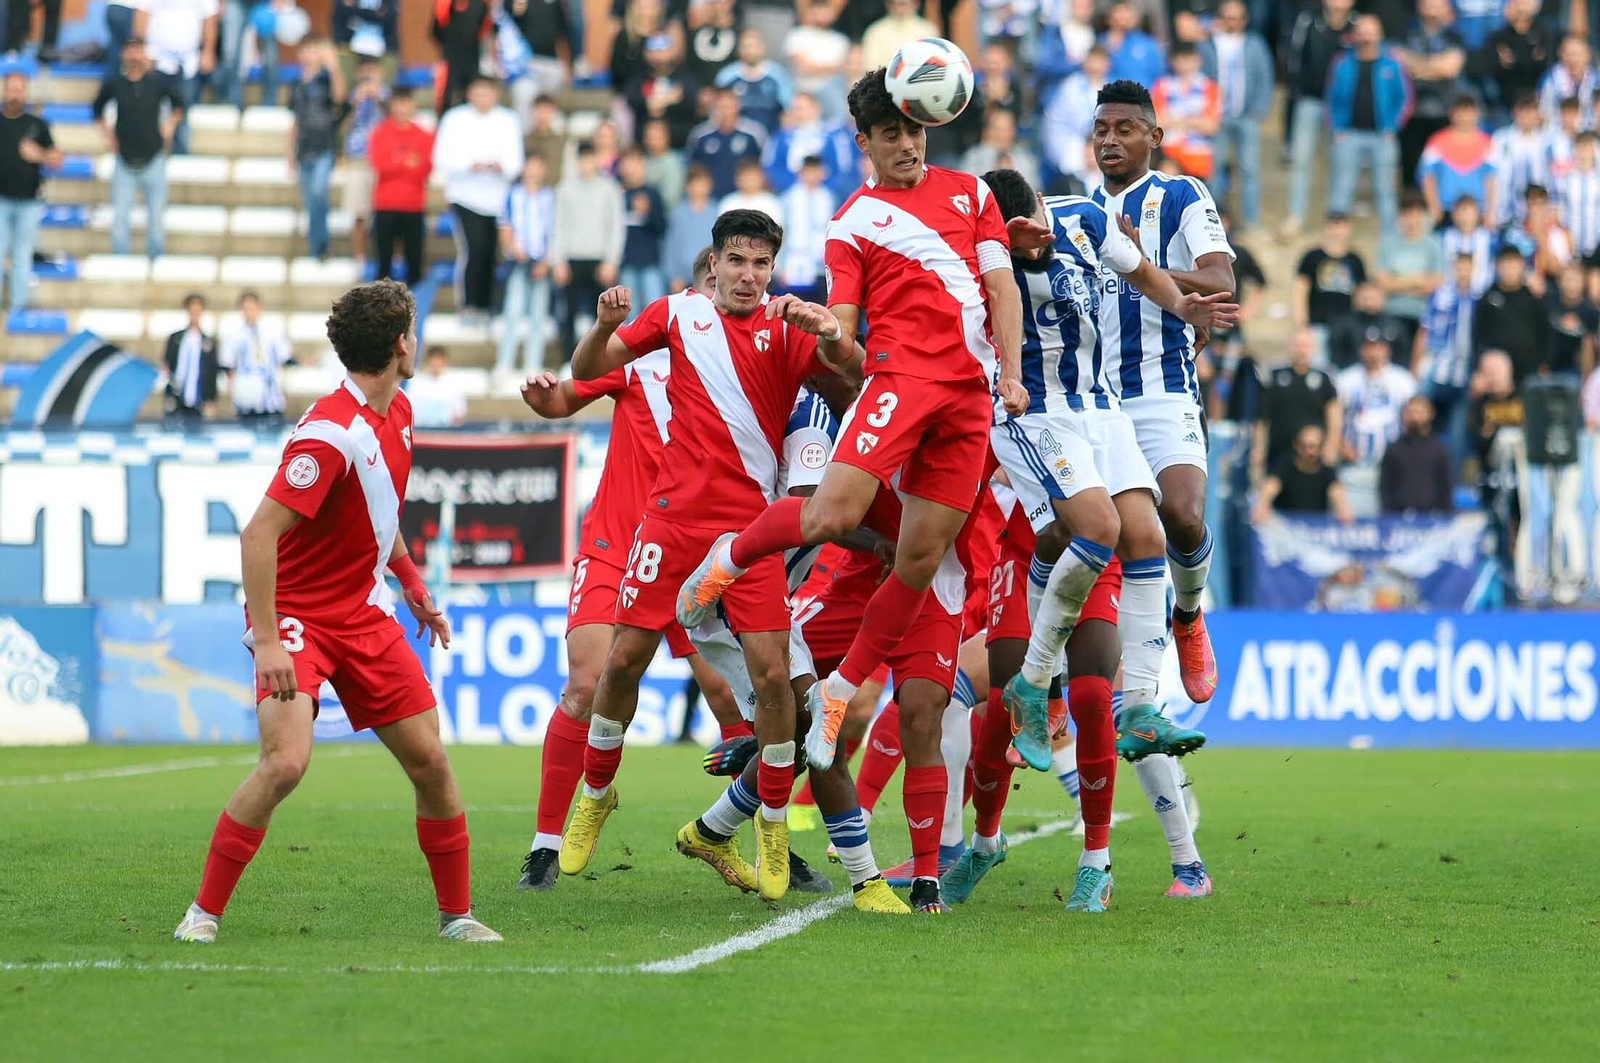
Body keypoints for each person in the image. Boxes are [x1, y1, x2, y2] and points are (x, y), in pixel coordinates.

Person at [673, 70, 1028, 915]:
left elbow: (1003, 285)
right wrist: (831, 331)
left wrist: (1011, 372)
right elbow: (845, 325)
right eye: (889, 133)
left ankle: (840, 701)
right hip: (900, 380)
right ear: (862, 141)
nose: (907, 144)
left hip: (970, 395)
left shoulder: (974, 195)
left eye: (915, 129)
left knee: (922, 555)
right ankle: (734, 556)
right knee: (834, 512)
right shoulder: (853, 221)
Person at [172, 281, 501, 946]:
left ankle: (456, 916)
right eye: (413, 330)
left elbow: (382, 513)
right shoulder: (329, 435)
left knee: (431, 761)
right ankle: (201, 912)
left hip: (360, 612)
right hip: (296, 616)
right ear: (402, 343)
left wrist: (411, 585)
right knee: (286, 762)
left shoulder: (397, 412)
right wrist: (267, 641)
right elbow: (257, 535)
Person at [557, 211, 862, 904]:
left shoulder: (789, 327)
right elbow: (585, 372)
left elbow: (859, 376)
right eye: (737, 261)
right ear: (715, 265)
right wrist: (605, 326)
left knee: (773, 680)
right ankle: (596, 794)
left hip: (747, 535)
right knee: (623, 661)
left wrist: (833, 333)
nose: (749, 274)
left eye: (761, 263)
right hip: (669, 523)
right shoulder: (677, 314)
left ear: (773, 268)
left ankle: (774, 825)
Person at [948, 169, 1232, 911]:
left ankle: (1139, 713)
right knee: (1094, 534)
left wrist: (1187, 306)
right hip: (1036, 421)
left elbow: (1142, 274)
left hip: (1100, 414)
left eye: (1038, 220)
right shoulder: (977, 268)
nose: (1037, 237)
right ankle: (985, 824)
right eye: (1019, 236)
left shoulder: (1080, 219)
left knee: (1139, 533)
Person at [514, 250, 751, 894]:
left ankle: (744, 831)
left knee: (735, 696)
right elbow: (567, 395)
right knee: (587, 686)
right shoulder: (644, 359)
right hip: (621, 547)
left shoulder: (752, 371)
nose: (717, 300)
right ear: (688, 296)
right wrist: (546, 398)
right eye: (707, 287)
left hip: (702, 556)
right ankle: (545, 843)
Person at [1076, 77, 1238, 706]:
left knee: (1184, 516)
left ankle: (1190, 616)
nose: (1110, 140)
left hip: (1163, 387)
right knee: (1096, 537)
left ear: (1154, 136)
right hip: (1095, 400)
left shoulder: (1179, 195)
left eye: (1123, 129)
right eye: (1101, 131)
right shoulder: (1080, 210)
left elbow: (1219, 279)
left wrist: (1136, 263)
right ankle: (1061, 681)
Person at [432, 75, 522, 326]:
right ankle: (469, 305)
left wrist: (499, 166)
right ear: (469, 93)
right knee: (473, 249)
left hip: (498, 199)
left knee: (491, 253)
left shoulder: (508, 120)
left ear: (496, 94)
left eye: (488, 91)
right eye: (478, 91)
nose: (483, 97)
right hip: (465, 195)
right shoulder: (454, 119)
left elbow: (516, 162)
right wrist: (471, 166)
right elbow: (441, 158)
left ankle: (487, 306)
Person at [95, 38, 185, 260]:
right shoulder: (115, 83)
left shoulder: (157, 83)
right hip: (124, 160)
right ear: (123, 54)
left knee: (155, 222)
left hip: (153, 158)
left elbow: (180, 104)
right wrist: (107, 135)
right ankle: (121, 267)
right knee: (120, 220)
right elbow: (96, 108)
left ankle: (156, 265)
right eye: (131, 51)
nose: (135, 57)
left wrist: (170, 125)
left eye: (139, 51)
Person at [1326, 15, 1412, 234]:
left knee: (1385, 189)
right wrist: (1336, 128)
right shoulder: (1342, 63)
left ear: (1380, 34)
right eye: (1362, 31)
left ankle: (1389, 237)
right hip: (1349, 134)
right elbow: (1331, 98)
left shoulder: (1392, 64)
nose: (1366, 36)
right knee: (1342, 187)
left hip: (1382, 136)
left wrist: (1392, 127)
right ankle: (1336, 234)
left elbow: (1405, 99)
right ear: (1355, 35)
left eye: (1371, 31)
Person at [1283, 0, 1356, 236]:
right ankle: (1296, 215)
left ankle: (1336, 219)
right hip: (1310, 100)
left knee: (1341, 163)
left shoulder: (1357, 26)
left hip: (1343, 107)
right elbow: (1294, 57)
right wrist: (1298, 90)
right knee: (1301, 160)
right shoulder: (1308, 21)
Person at [1199, 0, 1273, 231]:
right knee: (1214, 169)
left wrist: (1258, 110)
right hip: (1216, 117)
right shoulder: (1207, 45)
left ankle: (1251, 221)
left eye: (1237, 17)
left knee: (1249, 169)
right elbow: (1200, 79)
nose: (1232, 21)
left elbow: (1265, 78)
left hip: (1246, 115)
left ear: (1244, 19)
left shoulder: (1255, 45)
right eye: (1228, 16)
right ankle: (1212, 222)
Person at [549, 140, 624, 352]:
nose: (586, 164)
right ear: (577, 161)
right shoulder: (565, 188)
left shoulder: (609, 188)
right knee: (568, 313)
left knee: (600, 315)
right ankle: (567, 359)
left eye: (590, 159)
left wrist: (611, 261)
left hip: (599, 258)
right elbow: (558, 225)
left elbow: (615, 226)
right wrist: (559, 261)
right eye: (582, 160)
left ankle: (598, 361)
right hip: (572, 257)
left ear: (596, 160)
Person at [0, 72, 58, 316]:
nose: (15, 94)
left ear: (25, 92)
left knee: (23, 256)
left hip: (29, 201)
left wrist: (40, 155)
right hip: (1, 199)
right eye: (11, 89)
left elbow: (57, 159)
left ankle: (17, 307)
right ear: (4, 91)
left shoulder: (37, 124)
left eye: (19, 89)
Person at [1393, 0, 1466, 191]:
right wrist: (1434, 66)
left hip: (1443, 113)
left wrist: (1415, 64)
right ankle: (1411, 215)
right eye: (1428, 4)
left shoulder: (1454, 37)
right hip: (1411, 113)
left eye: (1438, 4)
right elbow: (1398, 64)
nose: (1432, 10)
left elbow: (1450, 69)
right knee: (1410, 172)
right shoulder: (1405, 35)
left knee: (1442, 172)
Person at [287, 38, 347, 262]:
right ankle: (316, 247)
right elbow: (294, 121)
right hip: (303, 148)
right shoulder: (297, 84)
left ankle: (322, 246)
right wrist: (289, 154)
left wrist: (334, 67)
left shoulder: (325, 80)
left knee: (318, 193)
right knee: (310, 201)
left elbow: (340, 97)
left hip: (324, 146)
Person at [1414, 253, 1478, 461]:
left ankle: (1450, 483)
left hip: (1464, 372)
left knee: (1457, 432)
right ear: (1453, 268)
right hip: (1435, 368)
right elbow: (1425, 329)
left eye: (1467, 267)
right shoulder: (1440, 294)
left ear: (1473, 269)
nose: (1463, 271)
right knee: (1421, 422)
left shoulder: (1479, 298)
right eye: (1460, 266)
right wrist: (1415, 364)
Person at [368, 88, 433, 285]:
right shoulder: (379, 132)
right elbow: (380, 165)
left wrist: (396, 160)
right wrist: (406, 161)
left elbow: (424, 168)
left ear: (413, 105)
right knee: (383, 261)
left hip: (413, 204)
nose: (403, 108)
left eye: (407, 102)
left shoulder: (424, 135)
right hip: (385, 204)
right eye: (399, 102)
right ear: (391, 105)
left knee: (414, 261)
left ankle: (414, 309)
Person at [1255, 326, 1342, 475]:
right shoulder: (1274, 377)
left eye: (1305, 345)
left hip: (1313, 455)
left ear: (1313, 348)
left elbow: (1334, 419)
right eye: (1297, 344)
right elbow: (1262, 418)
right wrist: (1258, 448)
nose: (1301, 350)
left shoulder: (1324, 379)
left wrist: (1330, 447)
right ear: (1290, 346)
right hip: (1279, 453)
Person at [496, 156, 554, 376]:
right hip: (519, 261)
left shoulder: (550, 197)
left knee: (538, 315)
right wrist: (513, 249)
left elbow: (555, 230)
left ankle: (533, 362)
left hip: (542, 262)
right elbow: (505, 228)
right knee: (513, 311)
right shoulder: (513, 195)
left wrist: (547, 261)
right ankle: (505, 362)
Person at [143, 0, 217, 155]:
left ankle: (180, 153)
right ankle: (153, 153)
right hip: (157, 58)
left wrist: (208, 51)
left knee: (183, 107)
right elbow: (141, 13)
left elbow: (210, 19)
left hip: (188, 60)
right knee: (152, 108)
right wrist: (141, 50)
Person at [1376, 191, 1445, 352]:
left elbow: (1436, 283)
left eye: (1417, 213)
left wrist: (1399, 281)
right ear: (1400, 216)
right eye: (1408, 214)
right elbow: (1383, 284)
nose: (1413, 219)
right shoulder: (1387, 244)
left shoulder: (1433, 245)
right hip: (1392, 313)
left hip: (1424, 316)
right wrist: (1417, 280)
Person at [1337, 328, 1418, 464]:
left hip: (1395, 463)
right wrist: (1343, 447)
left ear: (1388, 350)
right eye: (1368, 348)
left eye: (1378, 348)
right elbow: (1334, 419)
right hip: (1353, 460)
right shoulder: (1345, 380)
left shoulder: (1404, 381)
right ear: (1361, 351)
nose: (1373, 353)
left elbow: (1413, 421)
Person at [1475, 244, 1550, 386]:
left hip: (1530, 371)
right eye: (1505, 265)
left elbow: (1545, 331)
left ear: (1522, 266)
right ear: (1497, 266)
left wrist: (1545, 363)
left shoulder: (1533, 297)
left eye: (1513, 265)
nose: (1509, 271)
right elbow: (1478, 335)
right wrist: (1479, 367)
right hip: (1497, 377)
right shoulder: (1488, 297)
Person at [762, 91, 859, 201]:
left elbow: (843, 167)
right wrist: (792, 184)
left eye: (802, 108)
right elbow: (772, 167)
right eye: (795, 109)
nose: (798, 113)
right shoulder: (781, 138)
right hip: (791, 194)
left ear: (816, 108)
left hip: (826, 194)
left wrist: (826, 186)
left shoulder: (832, 137)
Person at [1040, 44, 1110, 193]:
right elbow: (1053, 122)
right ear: (1085, 62)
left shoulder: (1112, 88)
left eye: (1100, 61)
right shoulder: (1070, 87)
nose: (1096, 66)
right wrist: (1060, 157)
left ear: (1107, 64)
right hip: (1072, 149)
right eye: (1093, 60)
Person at [1252, 424, 1353, 523]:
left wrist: (1343, 509)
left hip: (1315, 527)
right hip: (1286, 526)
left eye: (1314, 447)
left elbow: (1335, 491)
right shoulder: (1285, 466)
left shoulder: (1326, 470)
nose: (1310, 452)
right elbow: (1272, 486)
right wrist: (1262, 505)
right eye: (1305, 446)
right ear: (1296, 445)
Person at [1417, 94, 1495, 223]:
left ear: (1476, 114)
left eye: (1468, 113)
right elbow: (1427, 177)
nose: (1464, 118)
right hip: (1446, 210)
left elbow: (1491, 179)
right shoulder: (1436, 142)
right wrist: (1434, 207)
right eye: (1460, 113)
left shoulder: (1487, 143)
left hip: (1477, 211)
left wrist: (1490, 212)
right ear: (1451, 114)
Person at [1474, 0, 1555, 123]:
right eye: (1516, 7)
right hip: (1505, 101)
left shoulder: (1543, 33)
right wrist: (1530, 59)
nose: (1520, 13)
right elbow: (1488, 66)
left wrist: (1512, 63)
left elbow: (1547, 63)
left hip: (1537, 98)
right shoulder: (1498, 36)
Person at [1294, 211, 1364, 351]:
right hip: (1317, 324)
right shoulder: (1312, 257)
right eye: (1333, 226)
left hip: (1346, 325)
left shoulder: (1355, 260)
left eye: (1341, 226)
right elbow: (1300, 290)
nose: (1337, 231)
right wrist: (1301, 324)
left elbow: (1360, 293)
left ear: (1348, 229)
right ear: (1325, 228)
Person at [341, 57, 387, 272]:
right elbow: (340, 126)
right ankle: (359, 256)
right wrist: (353, 104)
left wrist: (379, 99)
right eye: (365, 70)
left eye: (373, 70)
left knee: (387, 213)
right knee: (359, 212)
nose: (368, 74)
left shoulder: (388, 97)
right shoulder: (351, 97)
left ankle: (390, 257)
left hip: (384, 160)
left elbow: (397, 122)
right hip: (358, 159)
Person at [220, 290, 291, 423]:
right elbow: (228, 366)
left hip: (270, 399)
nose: (249, 312)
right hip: (246, 399)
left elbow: (284, 360)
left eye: (252, 308)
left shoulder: (273, 334)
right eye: (245, 308)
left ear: (259, 308)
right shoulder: (234, 337)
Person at [1152, 42, 1220, 182]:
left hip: (1198, 158)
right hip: (1169, 155)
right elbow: (1155, 122)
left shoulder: (1208, 87)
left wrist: (1176, 120)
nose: (1183, 64)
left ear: (1197, 60)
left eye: (1187, 58)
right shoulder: (1162, 85)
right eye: (1179, 59)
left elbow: (1211, 126)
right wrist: (1193, 121)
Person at [686, 87, 766, 199]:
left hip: (744, 199)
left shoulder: (754, 132)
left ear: (737, 106)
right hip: (711, 199)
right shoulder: (700, 134)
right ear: (714, 108)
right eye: (721, 107)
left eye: (730, 106)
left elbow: (763, 165)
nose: (726, 111)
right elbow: (694, 168)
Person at [1380, 396, 1455, 514]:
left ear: (1430, 414)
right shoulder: (1393, 450)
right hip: (1398, 520)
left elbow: (1446, 486)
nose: (1415, 417)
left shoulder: (1439, 450)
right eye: (1410, 412)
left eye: (1419, 412)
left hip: (1432, 520)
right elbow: (1385, 488)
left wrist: (1445, 515)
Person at [616, 147, 667, 313]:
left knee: (655, 311)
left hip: (650, 262)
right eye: (627, 163)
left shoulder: (652, 193)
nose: (631, 168)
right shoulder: (617, 193)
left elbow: (661, 228)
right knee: (628, 313)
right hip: (625, 262)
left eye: (635, 163)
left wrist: (647, 213)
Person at [626, 31, 697, 149]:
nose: (658, 56)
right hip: (645, 148)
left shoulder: (684, 76)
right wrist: (668, 99)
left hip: (678, 146)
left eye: (662, 50)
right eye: (653, 51)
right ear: (646, 53)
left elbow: (690, 103)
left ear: (672, 52)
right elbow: (633, 100)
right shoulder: (639, 77)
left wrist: (656, 103)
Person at [714, 27, 792, 135]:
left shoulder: (778, 75)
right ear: (738, 49)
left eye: (754, 46)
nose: (750, 51)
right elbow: (717, 111)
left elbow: (788, 110)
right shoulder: (727, 76)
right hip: (735, 138)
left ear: (763, 47)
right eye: (746, 46)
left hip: (770, 135)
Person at [1489, 93, 1552, 227]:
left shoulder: (1547, 141)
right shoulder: (1501, 138)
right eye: (1523, 111)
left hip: (1536, 213)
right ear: (1515, 113)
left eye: (1531, 111)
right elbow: (1491, 176)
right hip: (1504, 212)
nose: (1527, 116)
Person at [777, 155, 834, 301]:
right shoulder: (789, 198)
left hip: (820, 262)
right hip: (794, 260)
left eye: (815, 171)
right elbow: (782, 232)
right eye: (808, 171)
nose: (812, 175)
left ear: (822, 172)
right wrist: (781, 264)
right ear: (801, 172)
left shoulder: (828, 198)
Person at [786, 0, 851, 122]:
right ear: (811, 11)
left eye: (826, 10)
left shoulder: (841, 40)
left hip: (833, 89)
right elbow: (804, 68)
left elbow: (845, 68)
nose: (823, 14)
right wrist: (833, 67)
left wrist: (819, 68)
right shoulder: (798, 35)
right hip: (803, 90)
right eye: (819, 10)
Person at [163, 293, 219, 423]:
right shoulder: (175, 338)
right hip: (177, 397)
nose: (195, 314)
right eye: (192, 310)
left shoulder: (208, 341)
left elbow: (212, 372)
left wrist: (211, 400)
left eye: (198, 311)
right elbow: (167, 366)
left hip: (199, 399)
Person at [1328, 281, 1406, 371]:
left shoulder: (1395, 324)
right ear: (1355, 299)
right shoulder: (1343, 324)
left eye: (1373, 298)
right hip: (1353, 372)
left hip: (1389, 373)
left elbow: (1403, 355)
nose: (1369, 302)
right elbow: (1337, 355)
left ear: (1382, 299)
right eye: (1365, 298)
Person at [506, 0, 574, 102]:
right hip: (524, 62)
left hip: (551, 61)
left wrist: (567, 64)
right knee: (524, 97)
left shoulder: (555, 3)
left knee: (546, 104)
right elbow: (505, 26)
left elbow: (562, 34)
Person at [431, 0, 490, 114]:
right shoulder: (444, 4)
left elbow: (484, 28)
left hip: (472, 58)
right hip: (450, 59)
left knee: (470, 96)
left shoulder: (480, 5)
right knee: (446, 96)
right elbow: (436, 30)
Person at [665, 165, 716, 293]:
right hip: (683, 277)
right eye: (694, 185)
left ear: (709, 186)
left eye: (702, 184)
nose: (698, 189)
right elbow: (671, 245)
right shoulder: (678, 213)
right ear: (687, 187)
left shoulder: (717, 212)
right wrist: (674, 275)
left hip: (710, 275)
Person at [959, 108, 1039, 189]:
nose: (1001, 134)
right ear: (988, 130)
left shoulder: (1025, 159)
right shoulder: (974, 157)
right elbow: (965, 187)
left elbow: (1034, 190)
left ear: (1013, 131)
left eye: (1006, 129)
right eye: (997, 129)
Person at [1544, 260, 1597, 381]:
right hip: (1549, 365)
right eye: (1568, 280)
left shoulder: (1590, 311)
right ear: (1559, 281)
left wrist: (1586, 378)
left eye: (1576, 280)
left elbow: (1589, 347)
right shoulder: (1548, 302)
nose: (1572, 285)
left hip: (1574, 369)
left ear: (1584, 283)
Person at [333, 0, 400, 89]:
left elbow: (390, 18)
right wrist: (376, 14)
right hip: (348, 46)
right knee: (342, 79)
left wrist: (355, 11)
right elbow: (340, 13)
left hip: (385, 49)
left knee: (386, 86)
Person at [1555, 131, 1600, 262]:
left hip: (1597, 245)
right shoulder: (1564, 179)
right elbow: (1558, 213)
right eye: (1580, 147)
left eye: (1587, 147)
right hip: (1571, 247)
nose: (1583, 152)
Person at [1440, 193, 1495, 295]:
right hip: (1450, 295)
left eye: (1469, 213)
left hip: (1482, 295)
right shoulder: (1444, 237)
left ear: (1477, 215)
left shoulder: (1489, 239)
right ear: (1453, 215)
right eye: (1461, 213)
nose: (1465, 218)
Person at [1099, 1, 1164, 89]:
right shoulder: (1102, 43)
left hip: (1143, 98)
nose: (1123, 18)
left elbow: (1158, 77)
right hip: (1113, 98)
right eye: (1119, 13)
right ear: (1110, 17)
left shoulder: (1147, 43)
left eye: (1127, 13)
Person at [861, 0, 938, 71]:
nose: (900, 8)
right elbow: (872, 66)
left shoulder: (928, 30)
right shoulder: (875, 31)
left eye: (903, 4)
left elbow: (933, 63)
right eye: (896, 4)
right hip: (884, 82)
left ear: (915, 4)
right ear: (889, 4)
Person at [1538, 36, 1598, 126]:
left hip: (1590, 132)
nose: (1573, 59)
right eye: (1569, 54)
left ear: (1588, 55)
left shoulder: (1596, 80)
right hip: (1557, 130)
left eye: (1577, 54)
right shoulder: (1550, 79)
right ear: (1560, 55)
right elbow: (1542, 112)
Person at [407, 345, 467, 427]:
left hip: (446, 431)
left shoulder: (454, 384)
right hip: (421, 430)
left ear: (444, 362)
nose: (436, 364)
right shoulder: (416, 383)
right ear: (428, 361)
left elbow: (459, 413)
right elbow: (410, 410)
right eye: (433, 360)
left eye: (439, 360)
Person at [718, 157, 783, 223]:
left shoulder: (772, 203)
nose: (749, 182)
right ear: (737, 179)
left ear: (761, 178)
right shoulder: (728, 202)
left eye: (752, 178)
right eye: (745, 177)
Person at [640, 118, 684, 208]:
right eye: (649, 137)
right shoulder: (643, 159)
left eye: (656, 137)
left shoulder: (672, 162)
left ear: (666, 138)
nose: (652, 141)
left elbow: (671, 198)